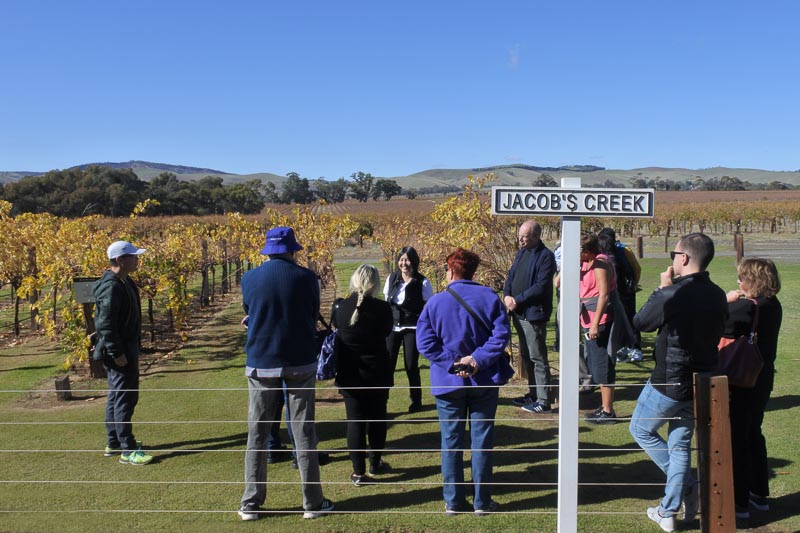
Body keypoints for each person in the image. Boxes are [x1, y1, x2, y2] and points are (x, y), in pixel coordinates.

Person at [629, 233, 728, 532]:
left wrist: (662, 289)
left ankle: (685, 488)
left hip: (670, 379)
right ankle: (669, 510)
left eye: (674, 253)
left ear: (683, 258)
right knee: (680, 445)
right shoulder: (718, 293)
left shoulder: (673, 293)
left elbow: (641, 322)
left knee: (640, 429)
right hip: (703, 379)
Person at [237, 226, 334, 521]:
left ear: (267, 250)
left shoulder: (250, 277)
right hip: (299, 362)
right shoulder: (307, 278)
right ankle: (312, 503)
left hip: (261, 362)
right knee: (304, 433)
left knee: (258, 432)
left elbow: (249, 311)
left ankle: (251, 503)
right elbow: (311, 312)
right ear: (293, 251)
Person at [417, 248, 512, 515]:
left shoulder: (435, 303)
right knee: (482, 442)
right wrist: (476, 360)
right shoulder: (489, 297)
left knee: (451, 442)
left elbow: (425, 342)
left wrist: (453, 362)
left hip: (448, 382)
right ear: (473, 271)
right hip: (483, 379)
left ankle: (454, 501)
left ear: (450, 270)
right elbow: (500, 335)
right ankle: (482, 501)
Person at [722, 258, 782, 520]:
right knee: (753, 433)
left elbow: (717, 322)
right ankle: (759, 493)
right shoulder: (773, 305)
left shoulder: (748, 307)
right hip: (762, 376)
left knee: (737, 438)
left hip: (741, 379)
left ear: (753, 280)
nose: (738, 281)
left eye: (742, 277)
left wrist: (728, 301)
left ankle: (739, 502)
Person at [332, 264, 394, 486]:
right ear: (375, 284)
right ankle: (375, 462)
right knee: (377, 419)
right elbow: (387, 332)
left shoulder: (340, 307)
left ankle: (358, 471)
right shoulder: (383, 308)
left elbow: (337, 329)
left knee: (355, 421)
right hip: (377, 371)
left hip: (350, 372)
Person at [93, 240, 152, 465]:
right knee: (125, 398)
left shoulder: (123, 281)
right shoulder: (112, 286)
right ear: (120, 260)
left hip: (125, 347)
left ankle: (114, 442)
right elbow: (106, 324)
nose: (137, 259)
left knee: (117, 395)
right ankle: (127, 449)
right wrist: (117, 352)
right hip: (119, 350)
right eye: (133, 256)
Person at [503, 220, 556, 413]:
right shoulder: (521, 252)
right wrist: (507, 294)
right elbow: (510, 275)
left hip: (533, 314)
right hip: (518, 313)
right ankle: (533, 394)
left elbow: (541, 286)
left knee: (538, 357)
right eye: (520, 236)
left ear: (536, 236)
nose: (520, 240)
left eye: (524, 236)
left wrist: (518, 299)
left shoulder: (546, 257)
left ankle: (543, 401)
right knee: (526, 356)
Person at [384, 246, 434, 413]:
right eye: (401, 259)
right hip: (392, 327)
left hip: (412, 327)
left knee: (411, 364)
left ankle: (416, 401)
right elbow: (387, 302)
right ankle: (382, 399)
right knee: (388, 364)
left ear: (414, 261)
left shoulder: (422, 282)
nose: (403, 263)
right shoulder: (392, 278)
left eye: (407, 260)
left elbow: (429, 307)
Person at [580, 232, 620, 424]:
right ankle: (603, 407)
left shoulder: (600, 264)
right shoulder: (586, 263)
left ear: (587, 252)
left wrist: (595, 323)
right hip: (587, 318)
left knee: (603, 364)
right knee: (595, 363)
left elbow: (603, 295)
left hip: (600, 319)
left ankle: (608, 411)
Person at [599, 227, 643, 362]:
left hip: (621, 292)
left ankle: (630, 348)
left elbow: (636, 268)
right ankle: (630, 348)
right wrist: (634, 283)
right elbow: (637, 268)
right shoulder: (624, 251)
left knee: (624, 319)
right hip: (626, 291)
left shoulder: (620, 252)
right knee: (629, 318)